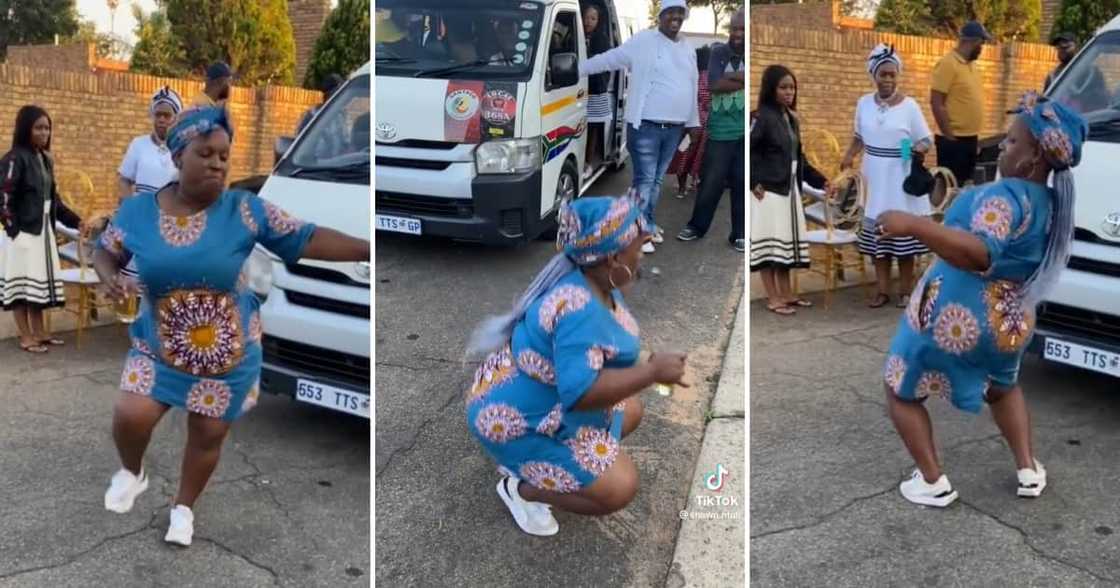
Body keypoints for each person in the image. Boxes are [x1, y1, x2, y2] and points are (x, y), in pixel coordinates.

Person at [93, 106, 370, 547]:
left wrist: (367, 249)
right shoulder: (139, 212)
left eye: (224, 154)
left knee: (207, 434)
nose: (218, 162)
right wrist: (108, 277)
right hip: (158, 347)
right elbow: (106, 249)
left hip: (227, 354)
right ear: (178, 157)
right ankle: (133, 472)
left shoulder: (245, 210)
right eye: (206, 153)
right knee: (131, 415)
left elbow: (306, 236)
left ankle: (183, 507)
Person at [876, 92, 1086, 507]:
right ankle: (1028, 469)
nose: (1003, 148)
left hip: (956, 314)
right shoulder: (1053, 203)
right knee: (1004, 388)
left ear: (1034, 159)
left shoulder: (1006, 193)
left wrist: (914, 225)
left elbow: (981, 252)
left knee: (900, 388)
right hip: (1010, 320)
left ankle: (932, 482)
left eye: (1011, 142)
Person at [463, 194, 687, 536]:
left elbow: (598, 356)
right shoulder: (578, 311)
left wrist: (647, 367)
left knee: (630, 411)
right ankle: (521, 489)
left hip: (535, 402)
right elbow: (579, 394)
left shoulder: (590, 281)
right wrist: (651, 373)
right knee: (621, 487)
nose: (642, 256)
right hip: (517, 421)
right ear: (613, 258)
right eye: (638, 248)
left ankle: (548, 465)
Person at [580, 0, 701, 253]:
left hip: (675, 128)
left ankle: (647, 223)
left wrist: (693, 122)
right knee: (645, 180)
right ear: (661, 15)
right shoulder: (643, 41)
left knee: (655, 180)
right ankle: (637, 232)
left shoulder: (688, 48)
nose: (676, 18)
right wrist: (577, 69)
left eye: (680, 13)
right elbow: (610, 59)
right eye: (671, 13)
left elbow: (693, 85)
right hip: (646, 126)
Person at [840, 44, 934, 309]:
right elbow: (859, 137)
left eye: (893, 74)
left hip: (900, 176)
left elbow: (926, 138)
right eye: (883, 74)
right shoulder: (863, 104)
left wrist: (917, 148)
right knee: (878, 239)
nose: (888, 79)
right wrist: (849, 155)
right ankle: (882, 291)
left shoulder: (910, 106)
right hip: (874, 175)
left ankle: (905, 291)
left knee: (903, 240)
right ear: (874, 75)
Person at [0, 105, 84, 353]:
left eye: (47, 128)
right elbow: (3, 197)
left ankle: (40, 333)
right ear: (26, 128)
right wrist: (14, 230)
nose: (44, 132)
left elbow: (53, 200)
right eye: (39, 127)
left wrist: (76, 221)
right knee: (21, 288)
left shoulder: (44, 159)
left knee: (36, 285)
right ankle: (25, 337)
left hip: (43, 231)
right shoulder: (15, 158)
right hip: (24, 234)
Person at [749, 65, 827, 316]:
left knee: (784, 244)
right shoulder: (761, 117)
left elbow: (799, 157)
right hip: (768, 190)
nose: (789, 92)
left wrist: (822, 181)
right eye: (783, 87)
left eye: (792, 87)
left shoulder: (791, 118)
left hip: (789, 188)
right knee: (769, 245)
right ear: (771, 89)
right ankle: (773, 298)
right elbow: (748, 150)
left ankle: (787, 294)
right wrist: (754, 182)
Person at [677, 10, 744, 252]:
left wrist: (732, 79)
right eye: (735, 28)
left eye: (743, 29)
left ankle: (739, 234)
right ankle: (696, 226)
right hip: (720, 130)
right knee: (711, 181)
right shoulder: (719, 52)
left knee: (740, 182)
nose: (738, 33)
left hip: (745, 131)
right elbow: (715, 85)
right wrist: (744, 77)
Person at [930, 21, 990, 187]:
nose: (982, 47)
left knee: (965, 183)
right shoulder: (947, 64)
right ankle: (939, 213)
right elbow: (936, 103)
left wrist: (974, 139)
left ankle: (958, 213)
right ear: (971, 41)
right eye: (982, 43)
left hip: (970, 139)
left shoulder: (972, 66)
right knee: (946, 184)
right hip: (952, 139)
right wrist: (950, 137)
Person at [119, 86, 182, 203]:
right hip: (141, 214)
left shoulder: (183, 150)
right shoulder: (138, 144)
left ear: (176, 118)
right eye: (158, 115)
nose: (161, 119)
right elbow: (125, 180)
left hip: (169, 216)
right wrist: (127, 206)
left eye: (167, 115)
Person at [666, 45, 712, 198]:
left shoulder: (690, 77)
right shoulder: (712, 79)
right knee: (700, 157)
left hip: (689, 124)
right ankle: (696, 183)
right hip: (706, 126)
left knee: (683, 155)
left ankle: (681, 188)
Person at [582, 3, 613, 179]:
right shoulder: (574, 34)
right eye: (586, 17)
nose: (588, 21)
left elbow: (605, 66)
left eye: (593, 18)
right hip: (578, 91)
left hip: (595, 90)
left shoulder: (601, 40)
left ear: (598, 21)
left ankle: (587, 162)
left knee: (592, 128)